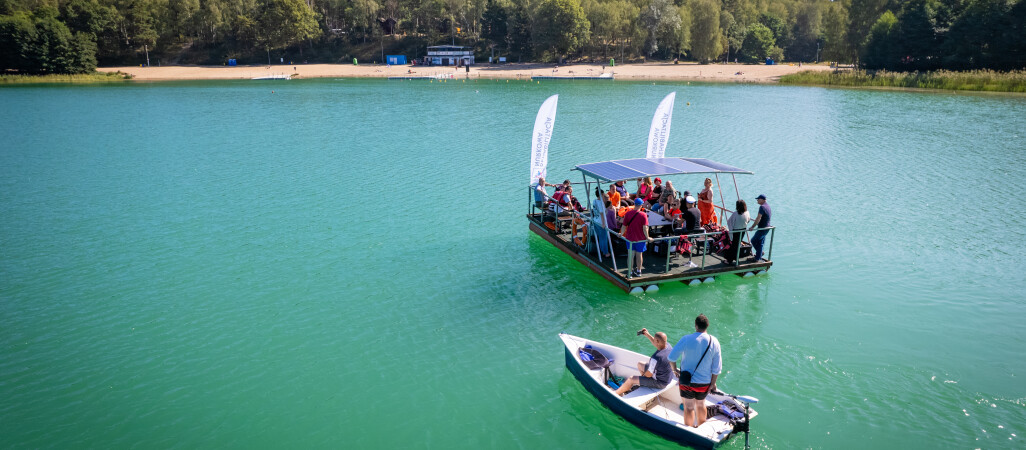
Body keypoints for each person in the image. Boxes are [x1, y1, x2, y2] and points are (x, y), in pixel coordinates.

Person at [669, 314, 722, 429]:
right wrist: (713, 383)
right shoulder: (714, 341)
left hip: (686, 381)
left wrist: (674, 370)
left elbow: (671, 357)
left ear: (696, 325)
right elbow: (716, 368)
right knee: (701, 404)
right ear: (707, 326)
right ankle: (701, 429)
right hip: (704, 382)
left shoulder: (686, 339)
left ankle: (689, 429)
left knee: (688, 407)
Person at [614, 328, 674, 396]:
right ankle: (643, 384)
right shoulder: (668, 346)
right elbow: (657, 343)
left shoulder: (656, 358)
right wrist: (647, 334)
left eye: (654, 339)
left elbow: (649, 375)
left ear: (657, 341)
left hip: (660, 382)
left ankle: (615, 394)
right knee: (640, 364)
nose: (653, 340)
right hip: (667, 377)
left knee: (631, 379)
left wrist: (642, 378)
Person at [620, 198, 651, 277]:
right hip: (640, 239)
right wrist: (648, 237)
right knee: (639, 255)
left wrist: (621, 234)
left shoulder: (628, 214)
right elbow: (645, 228)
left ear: (634, 205)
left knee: (630, 255)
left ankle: (630, 272)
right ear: (641, 205)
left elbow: (624, 226)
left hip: (630, 238)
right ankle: (638, 271)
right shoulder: (643, 215)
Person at [724, 199, 751, 264]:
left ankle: (729, 260)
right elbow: (748, 220)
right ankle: (736, 258)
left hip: (735, 231)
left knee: (733, 245)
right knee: (737, 244)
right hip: (743, 230)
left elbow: (730, 221)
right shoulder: (747, 212)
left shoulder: (735, 214)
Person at [748, 194, 772, 261]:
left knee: (753, 240)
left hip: (762, 228)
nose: (757, 200)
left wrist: (752, 227)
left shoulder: (762, 207)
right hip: (767, 227)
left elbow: (758, 218)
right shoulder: (768, 206)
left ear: (762, 200)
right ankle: (759, 255)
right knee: (761, 243)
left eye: (758, 199)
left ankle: (758, 256)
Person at [591, 188, 612, 257]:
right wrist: (603, 224)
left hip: (595, 220)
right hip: (600, 222)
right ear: (602, 194)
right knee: (604, 238)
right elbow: (602, 213)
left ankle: (602, 250)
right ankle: (605, 252)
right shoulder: (601, 203)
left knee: (600, 237)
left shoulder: (594, 201)